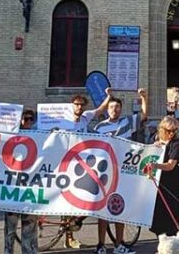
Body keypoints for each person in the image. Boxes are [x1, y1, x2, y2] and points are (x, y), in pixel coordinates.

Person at [93, 89, 148, 254]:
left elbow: (144, 115)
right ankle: (101, 245)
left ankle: (118, 245)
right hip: (105, 173)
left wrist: (144, 97)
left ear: (121, 109)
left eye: (117, 107)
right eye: (111, 107)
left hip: (123, 172)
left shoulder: (127, 122)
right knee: (102, 210)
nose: (114, 110)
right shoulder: (99, 127)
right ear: (107, 109)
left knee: (120, 208)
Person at [58, 90, 112, 249]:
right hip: (64, 163)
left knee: (82, 196)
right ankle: (69, 237)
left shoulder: (86, 117)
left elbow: (100, 109)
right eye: (76, 104)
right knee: (66, 201)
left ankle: (72, 229)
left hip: (80, 164)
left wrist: (108, 96)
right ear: (72, 105)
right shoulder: (63, 120)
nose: (79, 107)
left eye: (82, 105)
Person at [4, 109, 40, 254]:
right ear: (20, 120)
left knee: (29, 228)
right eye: (25, 119)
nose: (28, 122)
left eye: (31, 119)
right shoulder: (11, 136)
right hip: (12, 189)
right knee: (10, 228)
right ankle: (8, 251)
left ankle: (29, 251)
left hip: (31, 190)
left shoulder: (40, 137)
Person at [149, 116, 179, 237]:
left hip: (171, 181)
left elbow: (170, 165)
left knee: (171, 210)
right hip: (158, 180)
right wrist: (154, 147)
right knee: (158, 212)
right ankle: (161, 242)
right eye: (169, 131)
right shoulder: (156, 140)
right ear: (162, 130)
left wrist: (155, 165)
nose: (172, 133)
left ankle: (173, 240)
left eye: (174, 131)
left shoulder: (176, 144)